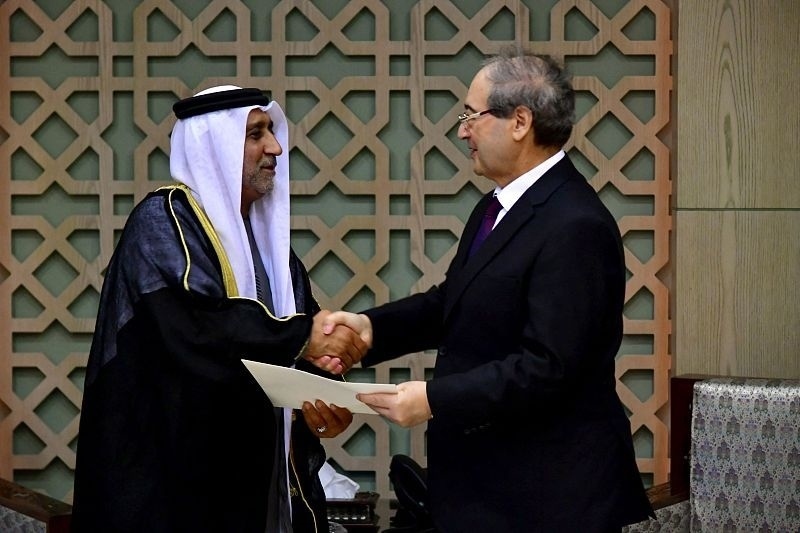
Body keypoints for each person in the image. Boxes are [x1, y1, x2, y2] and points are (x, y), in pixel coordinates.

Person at [326, 49, 654, 532]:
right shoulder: (496, 206)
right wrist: (370, 329)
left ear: (520, 122)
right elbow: (454, 302)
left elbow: (549, 367)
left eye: (471, 116)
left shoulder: (575, 223)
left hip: (550, 496)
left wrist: (434, 398)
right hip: (488, 488)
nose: (462, 131)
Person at [72, 86, 367, 533]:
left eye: (271, 132)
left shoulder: (272, 250)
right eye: (255, 134)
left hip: (262, 483)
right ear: (213, 146)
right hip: (176, 490)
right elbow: (197, 326)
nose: (275, 148)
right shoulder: (163, 222)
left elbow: (299, 345)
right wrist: (305, 338)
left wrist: (326, 403)